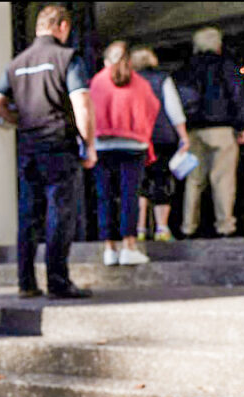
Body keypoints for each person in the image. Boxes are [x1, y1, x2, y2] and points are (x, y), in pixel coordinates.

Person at [0, 4, 95, 299]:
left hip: (29, 148)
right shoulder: (67, 58)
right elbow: (81, 104)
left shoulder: (17, 63)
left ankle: (26, 282)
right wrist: (89, 144)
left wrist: (20, 120)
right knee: (60, 214)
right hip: (59, 145)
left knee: (28, 216)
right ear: (62, 26)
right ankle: (58, 281)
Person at [90, 41, 160, 266]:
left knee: (105, 197)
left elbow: (86, 110)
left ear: (105, 61)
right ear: (129, 61)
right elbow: (153, 109)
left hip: (103, 146)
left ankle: (109, 249)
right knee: (130, 195)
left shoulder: (97, 82)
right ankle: (129, 246)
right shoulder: (141, 83)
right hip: (134, 145)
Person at [176, 26, 244, 237]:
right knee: (223, 179)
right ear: (217, 44)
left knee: (194, 179)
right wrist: (242, 125)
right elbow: (236, 95)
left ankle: (188, 226)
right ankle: (225, 225)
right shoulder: (226, 65)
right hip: (221, 128)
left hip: (193, 129)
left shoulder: (186, 69)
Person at [131, 47, 191, 242]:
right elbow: (174, 109)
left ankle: (139, 229)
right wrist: (183, 136)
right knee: (161, 180)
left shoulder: (129, 80)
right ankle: (162, 229)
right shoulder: (162, 79)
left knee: (138, 183)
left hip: (136, 137)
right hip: (162, 138)